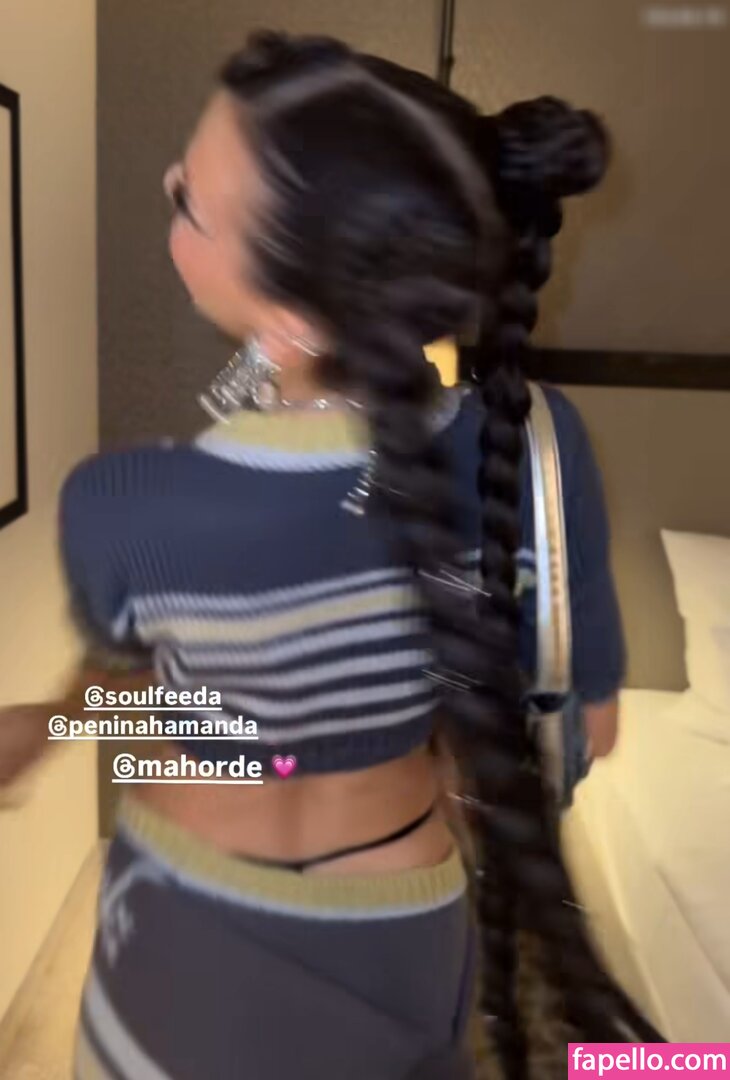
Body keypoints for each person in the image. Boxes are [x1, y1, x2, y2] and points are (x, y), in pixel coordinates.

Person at [0, 31, 661, 1080]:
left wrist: (46, 725)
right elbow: (592, 722)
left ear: (286, 314)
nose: (167, 186)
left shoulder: (121, 503)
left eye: (191, 204)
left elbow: (192, 718)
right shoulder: (534, 442)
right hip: (404, 911)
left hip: (191, 928)